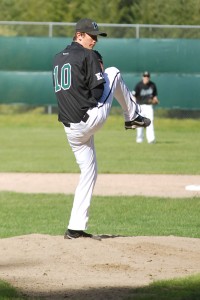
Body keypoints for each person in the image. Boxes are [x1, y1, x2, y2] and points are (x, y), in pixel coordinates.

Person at [52, 18, 151, 240]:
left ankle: (74, 228)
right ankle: (132, 116)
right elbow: (97, 94)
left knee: (89, 171)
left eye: (96, 37)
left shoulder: (58, 58)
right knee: (114, 73)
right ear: (79, 35)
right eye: (91, 36)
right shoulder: (87, 56)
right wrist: (99, 70)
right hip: (89, 118)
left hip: (71, 129)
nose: (94, 40)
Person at [133, 71, 159, 144]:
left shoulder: (152, 85)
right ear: (142, 77)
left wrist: (155, 100)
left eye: (147, 76)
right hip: (140, 106)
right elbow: (134, 96)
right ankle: (139, 139)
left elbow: (155, 96)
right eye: (145, 76)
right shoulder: (138, 85)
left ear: (149, 77)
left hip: (149, 106)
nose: (146, 78)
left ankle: (151, 139)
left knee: (150, 122)